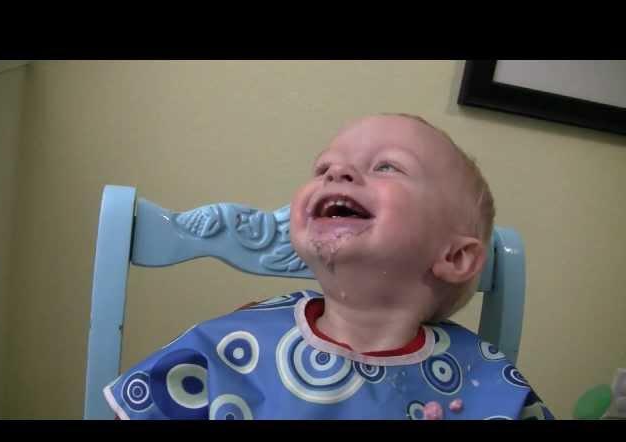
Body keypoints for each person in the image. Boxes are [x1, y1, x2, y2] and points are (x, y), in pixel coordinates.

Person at [104, 114, 554, 420]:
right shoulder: (234, 347)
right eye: (323, 167)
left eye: (387, 166)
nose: (335, 173)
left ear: (454, 257)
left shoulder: (482, 378)